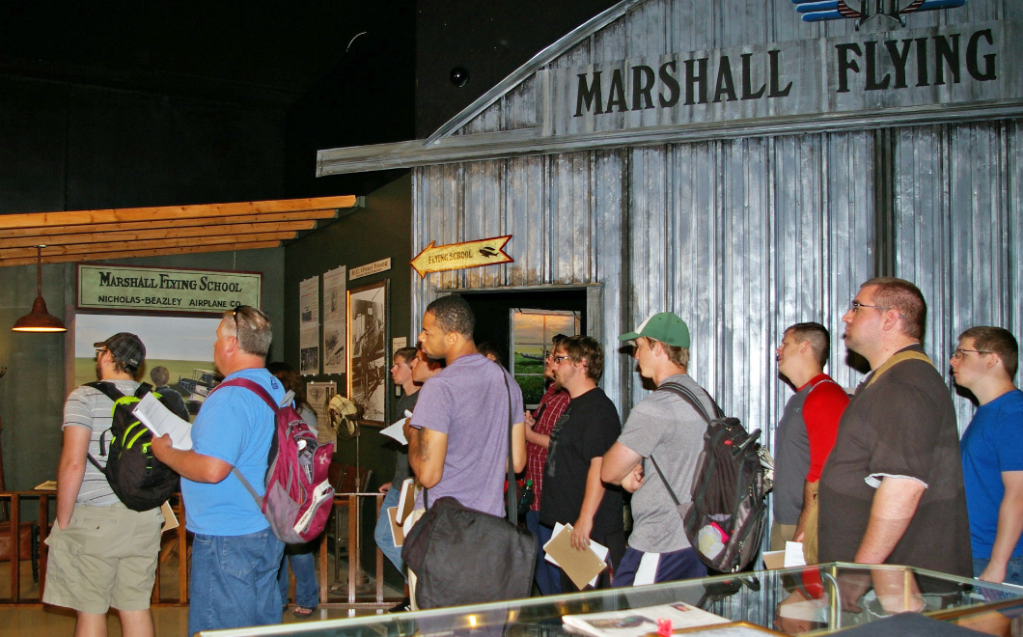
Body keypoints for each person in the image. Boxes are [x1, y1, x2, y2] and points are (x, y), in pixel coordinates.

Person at [818, 277, 971, 577]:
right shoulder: (889, 379)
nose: (846, 316)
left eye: (857, 308)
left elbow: (903, 486)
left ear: (890, 319)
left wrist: (859, 573)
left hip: (891, 588)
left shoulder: (905, 382)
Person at [152, 306, 286, 635]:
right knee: (259, 624)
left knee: (221, 628)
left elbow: (213, 469)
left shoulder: (231, 396)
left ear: (230, 343)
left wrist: (167, 453)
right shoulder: (273, 387)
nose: (213, 347)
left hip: (229, 534)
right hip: (267, 523)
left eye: (216, 339)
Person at [402, 295, 527, 608]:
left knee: (437, 626)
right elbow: (518, 460)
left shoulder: (440, 387)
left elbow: (429, 475)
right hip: (490, 529)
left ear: (452, 337)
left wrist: (412, 435)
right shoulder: (506, 381)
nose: (420, 337)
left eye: (427, 332)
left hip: (443, 529)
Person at [43, 333, 163, 637]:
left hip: (96, 518)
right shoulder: (153, 399)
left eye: (101, 351)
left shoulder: (83, 397)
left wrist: (63, 520)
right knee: (135, 606)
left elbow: (73, 463)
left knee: (91, 608)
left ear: (108, 356)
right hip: (145, 515)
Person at [601, 312, 716, 586]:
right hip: (698, 543)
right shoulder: (703, 399)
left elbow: (608, 471)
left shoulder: (656, 407)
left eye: (639, 347)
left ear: (659, 347)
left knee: (631, 623)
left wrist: (626, 478)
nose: (636, 357)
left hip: (660, 544)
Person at [540, 335, 624, 590]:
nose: (553, 366)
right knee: (576, 613)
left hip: (592, 535)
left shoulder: (597, 408)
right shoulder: (575, 405)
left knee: (597, 615)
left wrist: (585, 519)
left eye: (560, 359)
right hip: (573, 533)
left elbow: (599, 464)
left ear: (582, 363)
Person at [373, 345, 442, 612]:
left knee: (410, 541)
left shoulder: (427, 398)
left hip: (419, 485)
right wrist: (396, 479)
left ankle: (421, 595)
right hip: (403, 483)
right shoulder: (403, 401)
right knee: (386, 537)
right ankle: (419, 591)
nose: (393, 369)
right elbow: (405, 451)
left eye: (398, 364)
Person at [771, 322, 849, 558]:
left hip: (805, 528)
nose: (778, 350)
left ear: (804, 347)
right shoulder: (800, 397)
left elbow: (826, 472)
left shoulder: (825, 396)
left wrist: (803, 532)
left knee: (808, 596)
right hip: (786, 522)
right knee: (787, 593)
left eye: (785, 343)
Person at [952, 326, 1023, 585]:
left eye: (962, 353)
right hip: (977, 554)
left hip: (1001, 559)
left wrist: (998, 564)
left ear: (993, 359)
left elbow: (1019, 495)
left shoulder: (1014, 414)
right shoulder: (989, 412)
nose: (953, 360)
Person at [266, 361, 320, 617]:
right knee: (279, 544)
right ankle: (279, 598)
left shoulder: (302, 412)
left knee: (297, 548)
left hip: (297, 487)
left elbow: (309, 451)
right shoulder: (281, 408)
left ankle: (308, 598)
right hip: (280, 485)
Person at [524, 333, 569, 595]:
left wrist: (529, 434)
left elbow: (560, 444)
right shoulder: (550, 394)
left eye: (554, 356)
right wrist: (532, 425)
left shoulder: (567, 398)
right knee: (538, 561)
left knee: (554, 564)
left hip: (550, 497)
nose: (548, 360)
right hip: (536, 492)